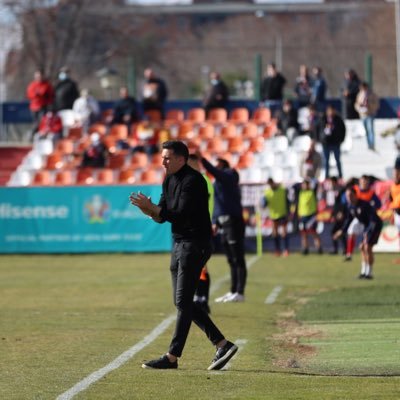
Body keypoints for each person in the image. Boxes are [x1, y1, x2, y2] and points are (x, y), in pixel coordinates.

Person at [129, 140, 238, 370]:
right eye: (162, 157)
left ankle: (172, 356)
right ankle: (222, 344)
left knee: (182, 301)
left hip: (195, 243)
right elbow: (163, 215)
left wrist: (156, 210)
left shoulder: (194, 181)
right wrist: (148, 210)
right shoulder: (169, 178)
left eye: (167, 158)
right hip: (179, 243)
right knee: (183, 301)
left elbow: (180, 214)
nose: (163, 161)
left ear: (181, 159)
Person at [196, 152, 247, 303]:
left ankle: (240, 292)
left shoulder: (230, 174)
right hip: (223, 221)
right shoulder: (218, 181)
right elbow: (219, 204)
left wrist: (203, 160)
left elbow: (216, 172)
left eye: (218, 162)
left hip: (233, 221)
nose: (215, 164)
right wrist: (215, 222)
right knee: (231, 259)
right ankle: (233, 291)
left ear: (224, 163)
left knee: (238, 258)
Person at [334, 186, 383, 279]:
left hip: (375, 226)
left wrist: (367, 232)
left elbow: (372, 219)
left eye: (351, 195)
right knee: (362, 247)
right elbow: (349, 220)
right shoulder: (351, 206)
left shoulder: (364, 205)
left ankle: (369, 273)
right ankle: (363, 272)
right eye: (347, 196)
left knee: (367, 247)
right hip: (367, 227)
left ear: (356, 195)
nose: (349, 198)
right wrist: (342, 231)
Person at [187, 153, 215, 314]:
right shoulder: (198, 179)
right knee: (200, 266)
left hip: (201, 229)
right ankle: (201, 298)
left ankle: (202, 299)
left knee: (199, 266)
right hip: (197, 228)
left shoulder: (202, 180)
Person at [344, 175, 381, 261]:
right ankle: (349, 253)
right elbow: (347, 194)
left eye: (366, 182)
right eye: (363, 181)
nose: (364, 183)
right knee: (351, 230)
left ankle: (367, 269)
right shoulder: (356, 190)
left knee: (365, 244)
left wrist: (373, 206)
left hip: (368, 218)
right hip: (358, 217)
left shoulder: (371, 193)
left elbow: (378, 204)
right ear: (360, 182)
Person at [261, 177, 290, 256]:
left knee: (284, 232)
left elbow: (287, 201)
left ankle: (286, 250)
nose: (270, 185)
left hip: (283, 213)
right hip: (273, 215)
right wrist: (263, 204)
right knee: (275, 233)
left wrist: (288, 212)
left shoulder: (282, 190)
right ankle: (277, 250)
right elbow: (264, 204)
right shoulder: (267, 193)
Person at [294, 178, 323, 255]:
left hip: (311, 216)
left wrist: (310, 179)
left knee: (313, 232)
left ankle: (319, 248)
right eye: (303, 184)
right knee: (304, 234)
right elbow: (295, 186)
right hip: (303, 216)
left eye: (306, 184)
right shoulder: (300, 193)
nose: (304, 186)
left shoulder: (312, 192)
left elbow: (317, 183)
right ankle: (305, 248)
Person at [319, 105, 346, 179]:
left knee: (337, 160)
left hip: (335, 143)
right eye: (329, 111)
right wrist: (321, 139)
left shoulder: (338, 120)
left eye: (332, 110)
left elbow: (343, 130)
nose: (330, 112)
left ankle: (340, 175)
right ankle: (326, 176)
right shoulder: (323, 119)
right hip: (326, 143)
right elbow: (319, 130)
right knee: (326, 161)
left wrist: (341, 140)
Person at [26, 70, 55, 136]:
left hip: (43, 106)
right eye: (37, 76)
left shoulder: (47, 85)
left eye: (40, 76)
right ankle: (33, 135)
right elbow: (29, 95)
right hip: (34, 107)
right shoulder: (32, 85)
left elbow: (51, 96)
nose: (39, 77)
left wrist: (49, 103)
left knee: (42, 122)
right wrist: (36, 95)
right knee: (36, 123)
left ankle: (38, 136)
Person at [355, 81, 380, 151]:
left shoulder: (372, 94)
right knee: (365, 130)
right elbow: (356, 104)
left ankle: (372, 144)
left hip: (370, 114)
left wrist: (370, 106)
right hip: (363, 115)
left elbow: (377, 105)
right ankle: (368, 144)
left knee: (370, 130)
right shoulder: (359, 95)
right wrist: (359, 108)